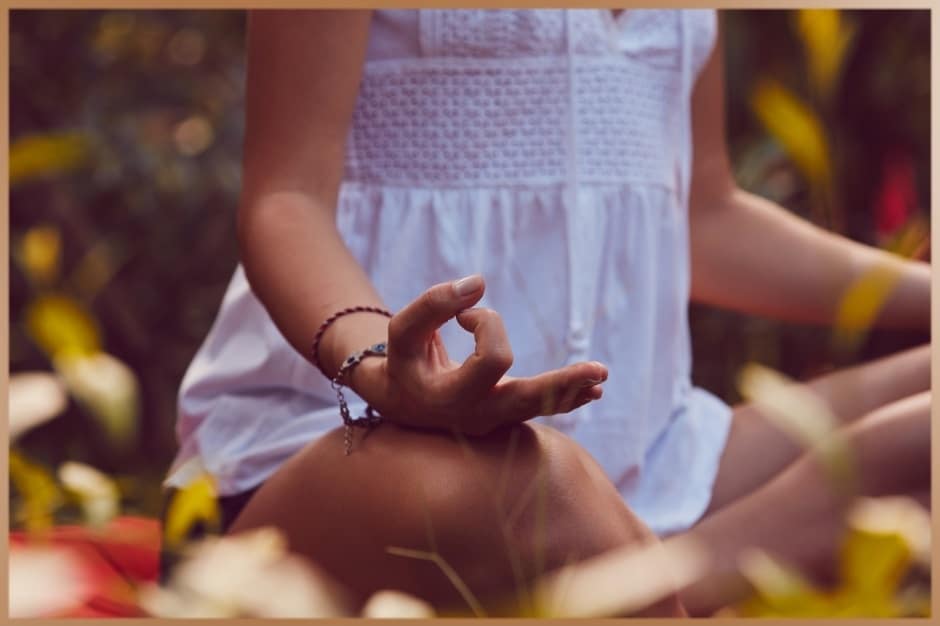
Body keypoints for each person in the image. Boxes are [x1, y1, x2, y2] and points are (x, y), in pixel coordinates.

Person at [163, 9, 930, 616]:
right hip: (337, 447)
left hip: (652, 454)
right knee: (542, 488)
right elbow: (285, 200)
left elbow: (704, 214)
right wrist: (383, 372)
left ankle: (622, 584)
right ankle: (648, 583)